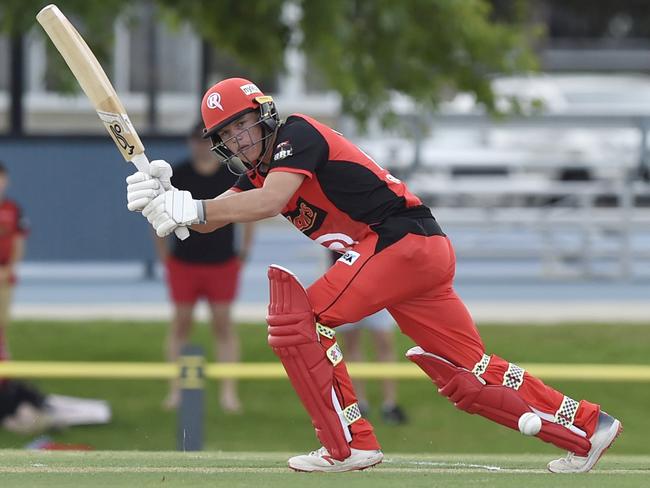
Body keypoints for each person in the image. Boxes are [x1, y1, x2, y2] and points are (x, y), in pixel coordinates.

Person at [126, 78, 622, 473]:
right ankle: (586, 428)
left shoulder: (295, 134)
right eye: (227, 135)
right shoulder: (259, 171)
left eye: (242, 126)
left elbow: (269, 202)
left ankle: (348, 447)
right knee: (467, 377)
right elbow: (228, 207)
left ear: (264, 115)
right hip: (416, 253)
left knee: (301, 319)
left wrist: (194, 208)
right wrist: (169, 204)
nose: (237, 139)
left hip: (398, 242)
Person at [151, 122, 255, 412]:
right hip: (184, 261)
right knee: (181, 324)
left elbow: (249, 210)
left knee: (223, 325)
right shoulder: (178, 174)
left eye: (205, 140)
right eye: (195, 140)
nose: (200, 145)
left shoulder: (231, 174)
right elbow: (157, 216)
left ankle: (228, 392)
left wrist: (244, 252)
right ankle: (176, 390)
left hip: (222, 261)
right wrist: (164, 256)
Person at [328, 252, 406, 425]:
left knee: (384, 343)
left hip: (377, 284)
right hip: (346, 286)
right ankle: (358, 404)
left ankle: (390, 404)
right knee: (351, 346)